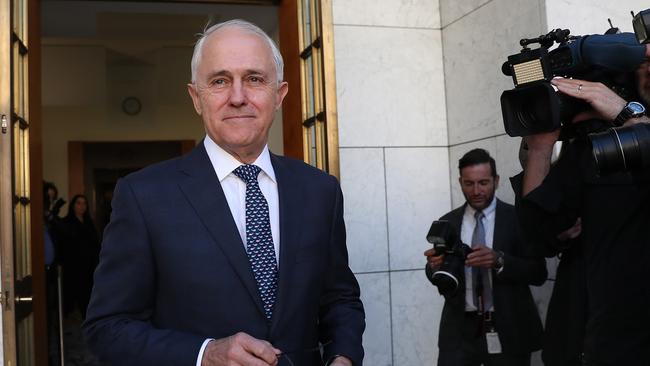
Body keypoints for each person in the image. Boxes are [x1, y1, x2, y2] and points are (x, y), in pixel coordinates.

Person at [82, 19, 365, 366]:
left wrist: (343, 356)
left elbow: (340, 299)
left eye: (254, 79)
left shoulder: (320, 190)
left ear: (279, 95)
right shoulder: (144, 197)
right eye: (219, 81)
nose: (237, 97)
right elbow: (107, 328)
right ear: (196, 98)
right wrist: (205, 354)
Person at [513, 37, 650, 366]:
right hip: (583, 337)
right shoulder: (588, 148)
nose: (648, 69)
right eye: (643, 64)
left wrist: (625, 114)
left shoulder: (626, 118)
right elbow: (538, 233)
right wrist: (540, 147)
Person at [424, 148, 546, 366]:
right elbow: (442, 279)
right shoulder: (447, 223)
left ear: (496, 180)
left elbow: (539, 272)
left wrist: (499, 261)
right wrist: (434, 267)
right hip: (459, 332)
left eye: (483, 182)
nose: (476, 191)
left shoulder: (517, 218)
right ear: (460, 182)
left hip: (509, 328)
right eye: (469, 184)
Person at [60, 194, 100, 320]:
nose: (82, 206)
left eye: (84, 203)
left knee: (88, 295)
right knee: (72, 296)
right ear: (73, 206)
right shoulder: (66, 222)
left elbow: (95, 243)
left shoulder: (89, 222)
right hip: (73, 266)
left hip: (89, 265)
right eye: (78, 203)